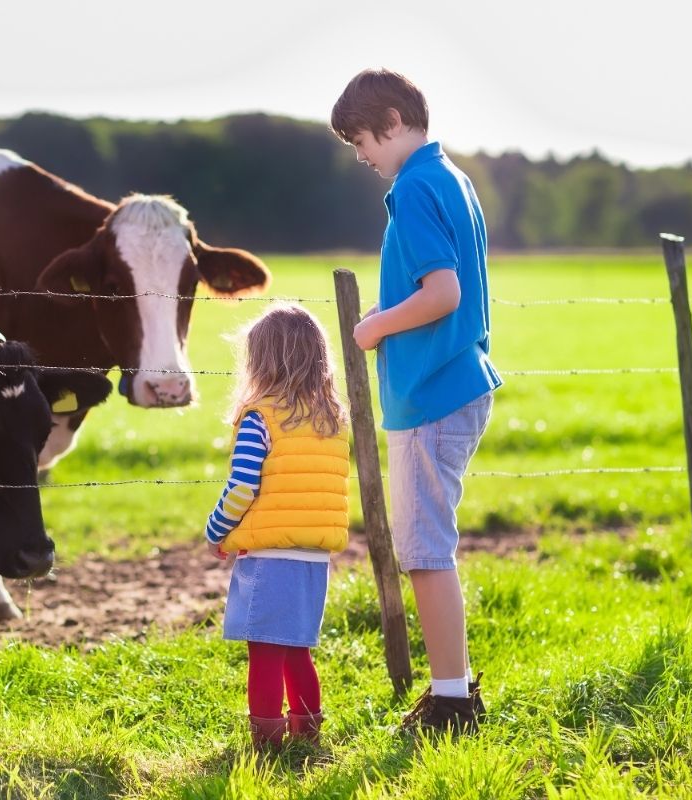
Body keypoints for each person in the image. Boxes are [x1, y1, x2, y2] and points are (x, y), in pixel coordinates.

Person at [331, 68, 502, 735]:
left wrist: (374, 326)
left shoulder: (415, 185)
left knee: (425, 552)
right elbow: (433, 287)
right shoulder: (450, 177)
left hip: (433, 390)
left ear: (394, 120)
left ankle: (453, 703)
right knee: (426, 548)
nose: (360, 154)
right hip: (450, 381)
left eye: (362, 139)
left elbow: (444, 294)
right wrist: (390, 311)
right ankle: (452, 690)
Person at [204, 303, 350, 751]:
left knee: (264, 652)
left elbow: (243, 484)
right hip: (314, 557)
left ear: (259, 362)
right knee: (296, 649)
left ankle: (265, 742)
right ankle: (306, 734)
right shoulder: (331, 418)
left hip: (269, 557)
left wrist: (216, 530)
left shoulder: (260, 416)